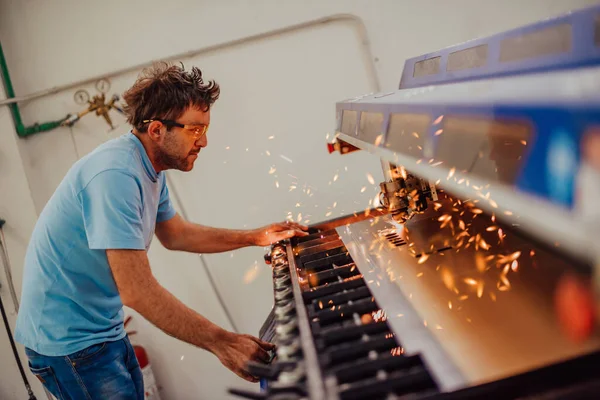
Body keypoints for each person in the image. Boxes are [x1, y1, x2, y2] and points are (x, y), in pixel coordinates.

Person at [14, 61, 308, 399]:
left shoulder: (149, 168)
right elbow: (138, 291)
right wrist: (223, 342)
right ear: (156, 130)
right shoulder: (115, 176)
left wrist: (255, 237)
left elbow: (176, 234)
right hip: (69, 345)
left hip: (102, 328)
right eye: (195, 130)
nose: (205, 141)